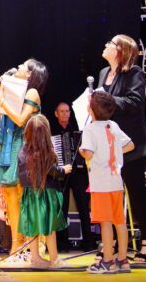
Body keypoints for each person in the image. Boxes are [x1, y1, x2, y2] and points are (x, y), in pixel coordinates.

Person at [96, 34, 146, 263]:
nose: (105, 45)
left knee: (136, 194)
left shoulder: (134, 73)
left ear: (121, 50)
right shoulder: (103, 74)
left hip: (129, 145)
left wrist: (106, 100)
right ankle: (112, 244)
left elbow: (135, 103)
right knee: (110, 195)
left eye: (110, 43)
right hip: (107, 145)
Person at [0, 59, 46, 256]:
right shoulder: (13, 90)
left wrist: (3, 100)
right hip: (8, 145)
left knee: (24, 197)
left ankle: (31, 246)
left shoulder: (32, 92)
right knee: (11, 197)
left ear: (30, 74)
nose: (18, 67)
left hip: (24, 146)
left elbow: (21, 119)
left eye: (23, 66)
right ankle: (15, 245)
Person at [80, 91, 134, 274]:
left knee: (105, 223)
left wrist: (81, 150)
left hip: (101, 184)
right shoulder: (114, 125)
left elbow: (88, 153)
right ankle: (123, 260)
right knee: (120, 221)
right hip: (116, 182)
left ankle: (108, 261)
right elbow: (130, 145)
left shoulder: (90, 128)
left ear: (92, 109)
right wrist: (115, 154)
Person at [18, 114, 66, 269]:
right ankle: (54, 259)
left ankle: (35, 258)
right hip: (45, 195)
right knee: (49, 228)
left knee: (32, 227)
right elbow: (52, 171)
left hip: (29, 195)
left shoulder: (22, 152)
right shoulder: (47, 154)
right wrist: (63, 170)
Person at [52, 101, 94, 250]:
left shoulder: (77, 129)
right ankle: (63, 242)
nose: (65, 114)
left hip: (78, 173)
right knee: (61, 209)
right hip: (62, 174)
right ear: (56, 114)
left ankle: (88, 241)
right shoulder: (52, 132)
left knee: (83, 206)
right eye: (62, 111)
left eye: (67, 111)